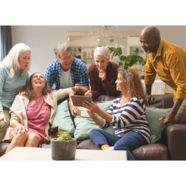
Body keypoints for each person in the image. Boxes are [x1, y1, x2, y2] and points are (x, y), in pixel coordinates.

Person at [82, 66, 151, 160]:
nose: (115, 82)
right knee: (94, 131)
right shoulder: (116, 102)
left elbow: (121, 122)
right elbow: (105, 123)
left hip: (138, 133)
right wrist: (93, 115)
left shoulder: (136, 101)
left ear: (128, 82)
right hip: (120, 136)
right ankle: (107, 150)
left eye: (118, 79)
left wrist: (98, 110)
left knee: (119, 147)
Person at [4, 72, 72, 153]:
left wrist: (72, 103)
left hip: (38, 133)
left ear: (44, 84)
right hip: (21, 128)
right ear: (30, 83)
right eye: (35, 77)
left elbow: (70, 90)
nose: (38, 78)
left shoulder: (51, 95)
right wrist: (18, 125)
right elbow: (13, 119)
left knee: (33, 137)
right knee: (21, 134)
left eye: (41, 77)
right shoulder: (21, 97)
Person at [140, 26, 186, 124]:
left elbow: (182, 85)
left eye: (145, 42)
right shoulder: (151, 52)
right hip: (178, 90)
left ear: (156, 39)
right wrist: (148, 94)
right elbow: (149, 74)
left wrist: (172, 114)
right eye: (141, 42)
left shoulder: (172, 54)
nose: (142, 45)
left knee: (176, 120)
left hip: (184, 89)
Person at [45, 42, 89, 117]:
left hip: (76, 97)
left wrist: (78, 89)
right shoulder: (51, 67)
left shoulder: (80, 66)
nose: (68, 61)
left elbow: (86, 89)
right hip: (59, 97)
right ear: (57, 58)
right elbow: (46, 90)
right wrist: (66, 91)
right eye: (64, 58)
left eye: (69, 57)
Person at [0, 43, 31, 143]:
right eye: (24, 58)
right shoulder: (3, 70)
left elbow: (29, 90)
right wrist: (0, 112)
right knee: (3, 124)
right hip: (4, 106)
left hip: (16, 107)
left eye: (29, 58)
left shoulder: (25, 73)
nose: (27, 61)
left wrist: (25, 91)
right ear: (15, 58)